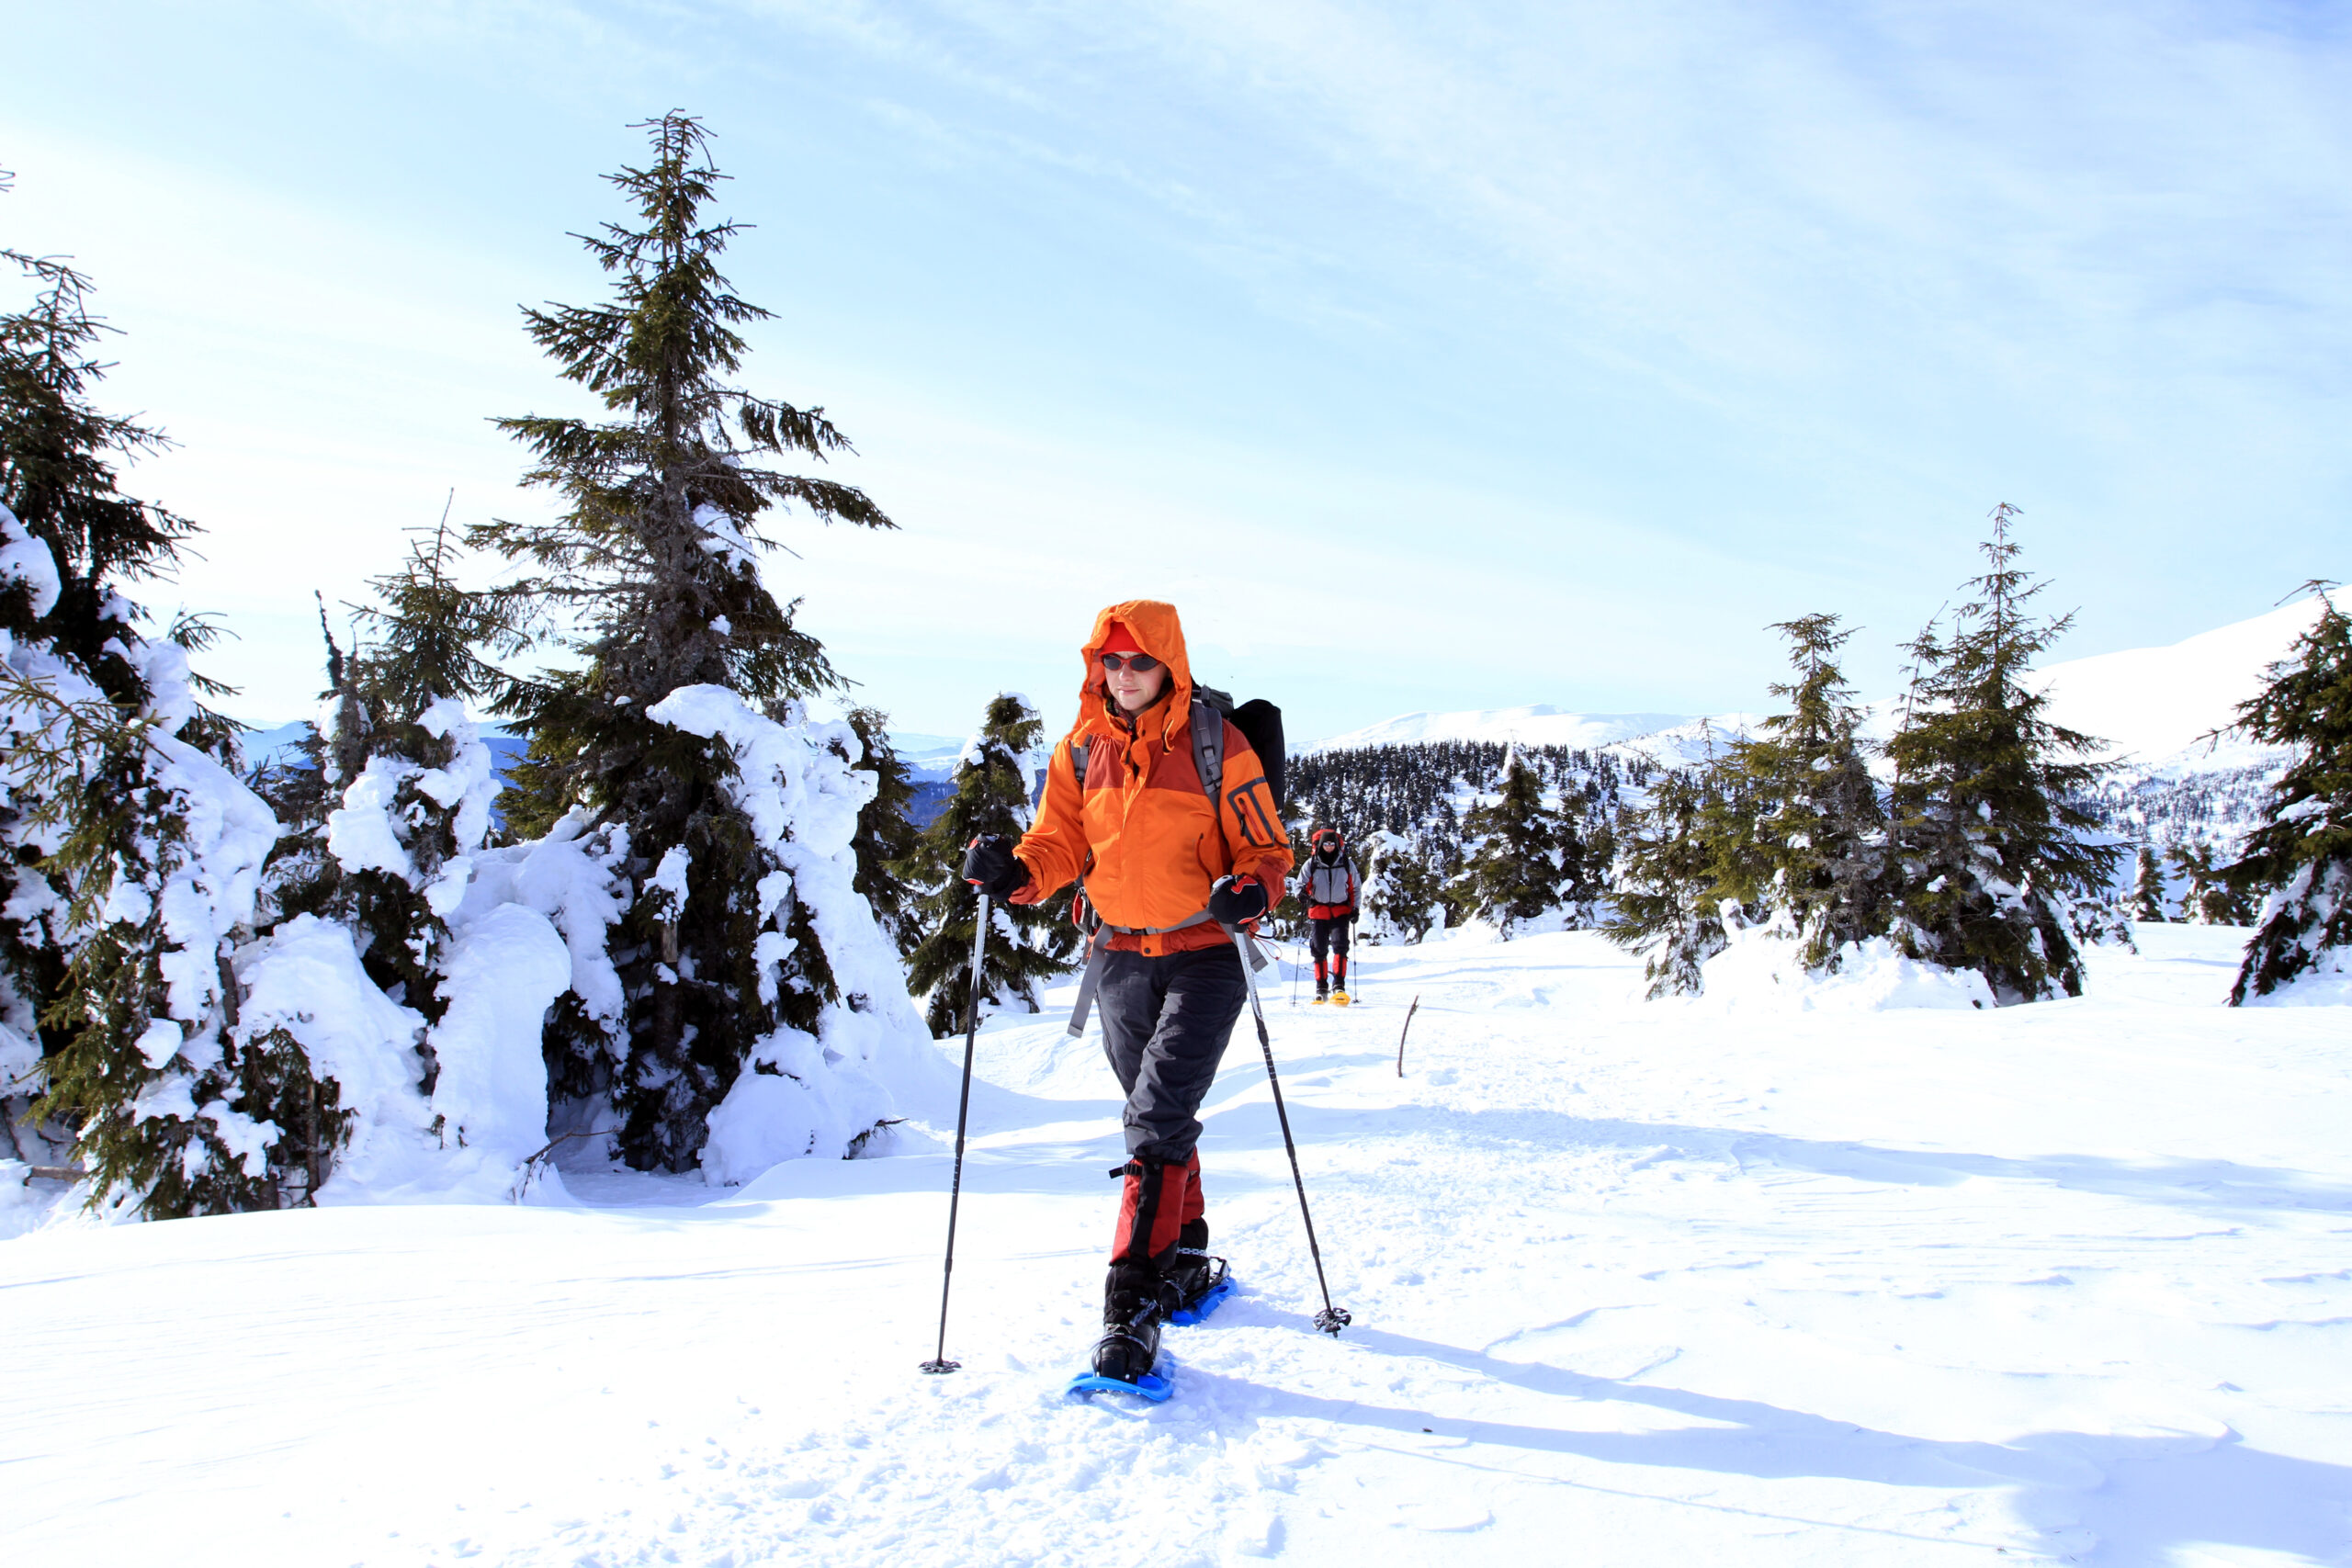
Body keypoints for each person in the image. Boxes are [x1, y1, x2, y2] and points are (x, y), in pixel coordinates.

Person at [961, 601, 1292, 1383]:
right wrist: (1017, 870)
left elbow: (1266, 847)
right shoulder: (1080, 750)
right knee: (1159, 1114)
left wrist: (1253, 891)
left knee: (1155, 1115)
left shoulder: (1220, 744)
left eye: (1139, 661)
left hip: (1207, 955)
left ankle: (1131, 1303)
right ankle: (1184, 1249)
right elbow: (1058, 842)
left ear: (1168, 664)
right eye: (1111, 662)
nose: (1124, 675)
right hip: (1117, 955)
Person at [1297, 826, 1361, 1005]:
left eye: (1332, 844)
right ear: (1320, 845)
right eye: (1326, 844)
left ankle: (1339, 986)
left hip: (1341, 911)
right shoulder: (1312, 863)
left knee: (1341, 948)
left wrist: (1355, 908)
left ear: (1337, 845)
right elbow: (1300, 883)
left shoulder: (1346, 863)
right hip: (1318, 911)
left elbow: (1355, 887)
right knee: (1319, 950)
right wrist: (1301, 894)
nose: (1329, 847)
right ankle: (1321, 988)